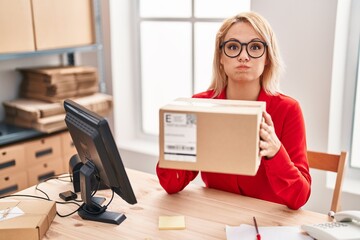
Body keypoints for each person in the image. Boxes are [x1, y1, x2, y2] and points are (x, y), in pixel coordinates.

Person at [156, 11, 311, 210]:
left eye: (255, 47)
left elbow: (299, 197)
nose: (243, 56)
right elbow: (171, 184)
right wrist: (175, 144)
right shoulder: (199, 105)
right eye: (233, 47)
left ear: (267, 58)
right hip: (216, 218)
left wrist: (275, 151)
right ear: (220, 57)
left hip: (267, 225)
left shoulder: (288, 110)